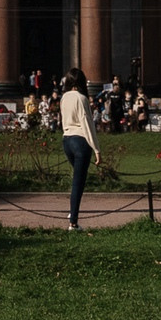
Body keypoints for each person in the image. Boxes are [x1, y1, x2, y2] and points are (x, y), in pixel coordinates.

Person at [58, 67, 97, 231]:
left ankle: (72, 212)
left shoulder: (64, 98)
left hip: (66, 140)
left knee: (77, 179)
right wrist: (97, 149)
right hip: (80, 141)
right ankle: (73, 221)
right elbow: (87, 125)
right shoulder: (82, 98)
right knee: (78, 182)